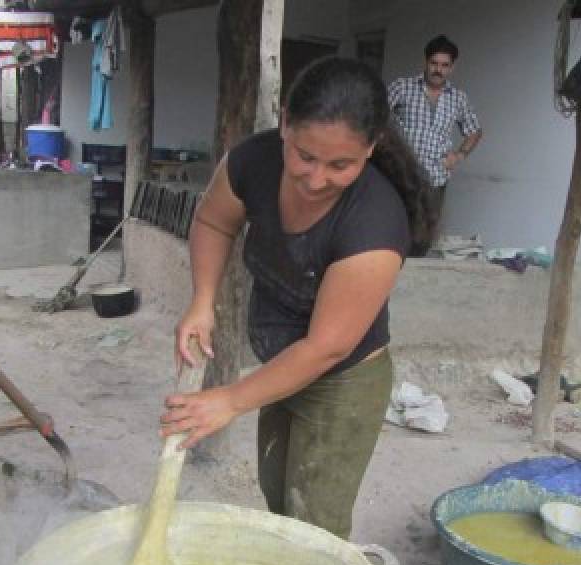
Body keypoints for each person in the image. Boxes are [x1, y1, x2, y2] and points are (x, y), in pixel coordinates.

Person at [159, 57, 433, 540]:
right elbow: (213, 221)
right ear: (285, 122)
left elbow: (327, 347)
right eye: (305, 156)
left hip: (343, 380)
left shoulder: (375, 222)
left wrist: (228, 401)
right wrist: (202, 301)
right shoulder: (253, 160)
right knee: (277, 493)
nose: (316, 178)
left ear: (371, 148)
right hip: (285, 359)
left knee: (314, 522)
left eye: (340, 165)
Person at [388, 34, 482, 252]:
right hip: (402, 174)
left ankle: (415, 272)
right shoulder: (402, 87)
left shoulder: (458, 98)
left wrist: (459, 155)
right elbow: (376, 115)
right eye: (434, 63)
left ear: (452, 68)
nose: (438, 70)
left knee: (424, 235)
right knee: (396, 227)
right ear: (425, 62)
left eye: (444, 65)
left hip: (436, 179)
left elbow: (474, 131)